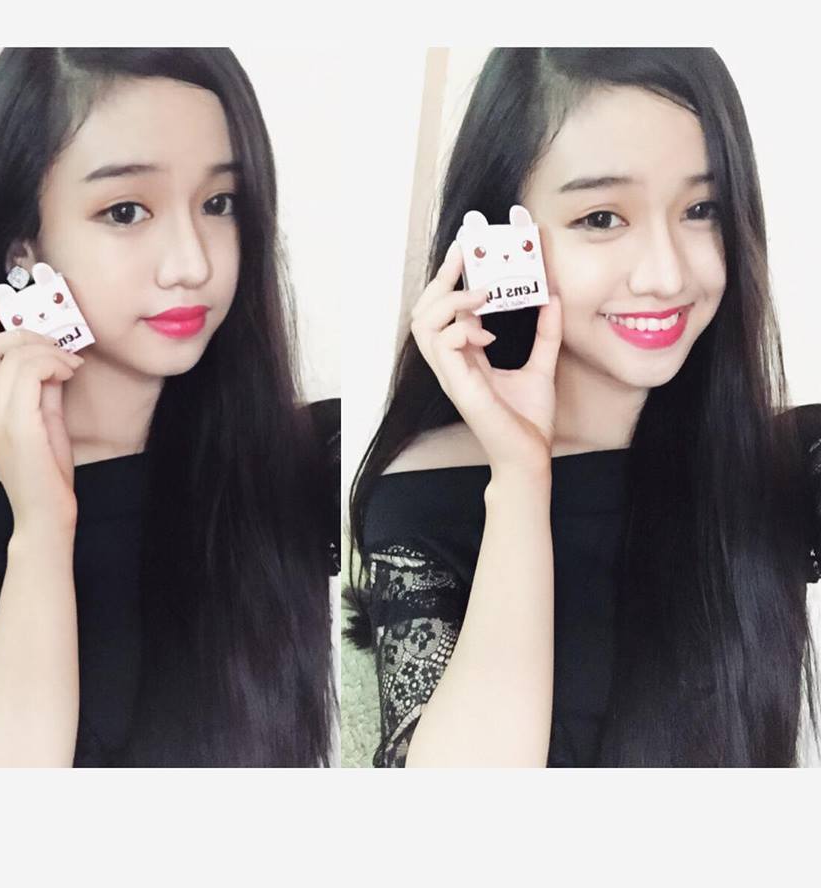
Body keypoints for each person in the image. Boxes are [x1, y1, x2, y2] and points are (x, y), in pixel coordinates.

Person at [0, 48, 339, 767]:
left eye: (219, 204)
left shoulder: (308, 455)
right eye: (126, 211)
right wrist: (42, 528)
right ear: (23, 247)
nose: (193, 264)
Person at [346, 48, 821, 768]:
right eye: (602, 217)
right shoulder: (423, 497)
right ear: (500, 242)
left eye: (701, 210)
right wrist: (520, 477)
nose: (666, 275)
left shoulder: (781, 462)